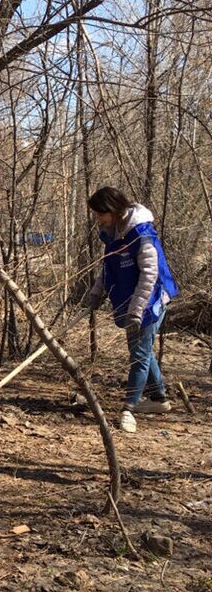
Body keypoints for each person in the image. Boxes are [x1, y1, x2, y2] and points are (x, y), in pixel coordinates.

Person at [87, 186, 178, 434]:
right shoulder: (111, 232)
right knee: (143, 350)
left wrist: (137, 309)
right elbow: (109, 268)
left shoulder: (141, 233)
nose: (98, 219)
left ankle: (129, 408)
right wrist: (97, 292)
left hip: (151, 299)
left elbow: (150, 274)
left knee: (138, 354)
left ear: (113, 209)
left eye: (100, 214)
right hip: (130, 300)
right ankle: (159, 399)